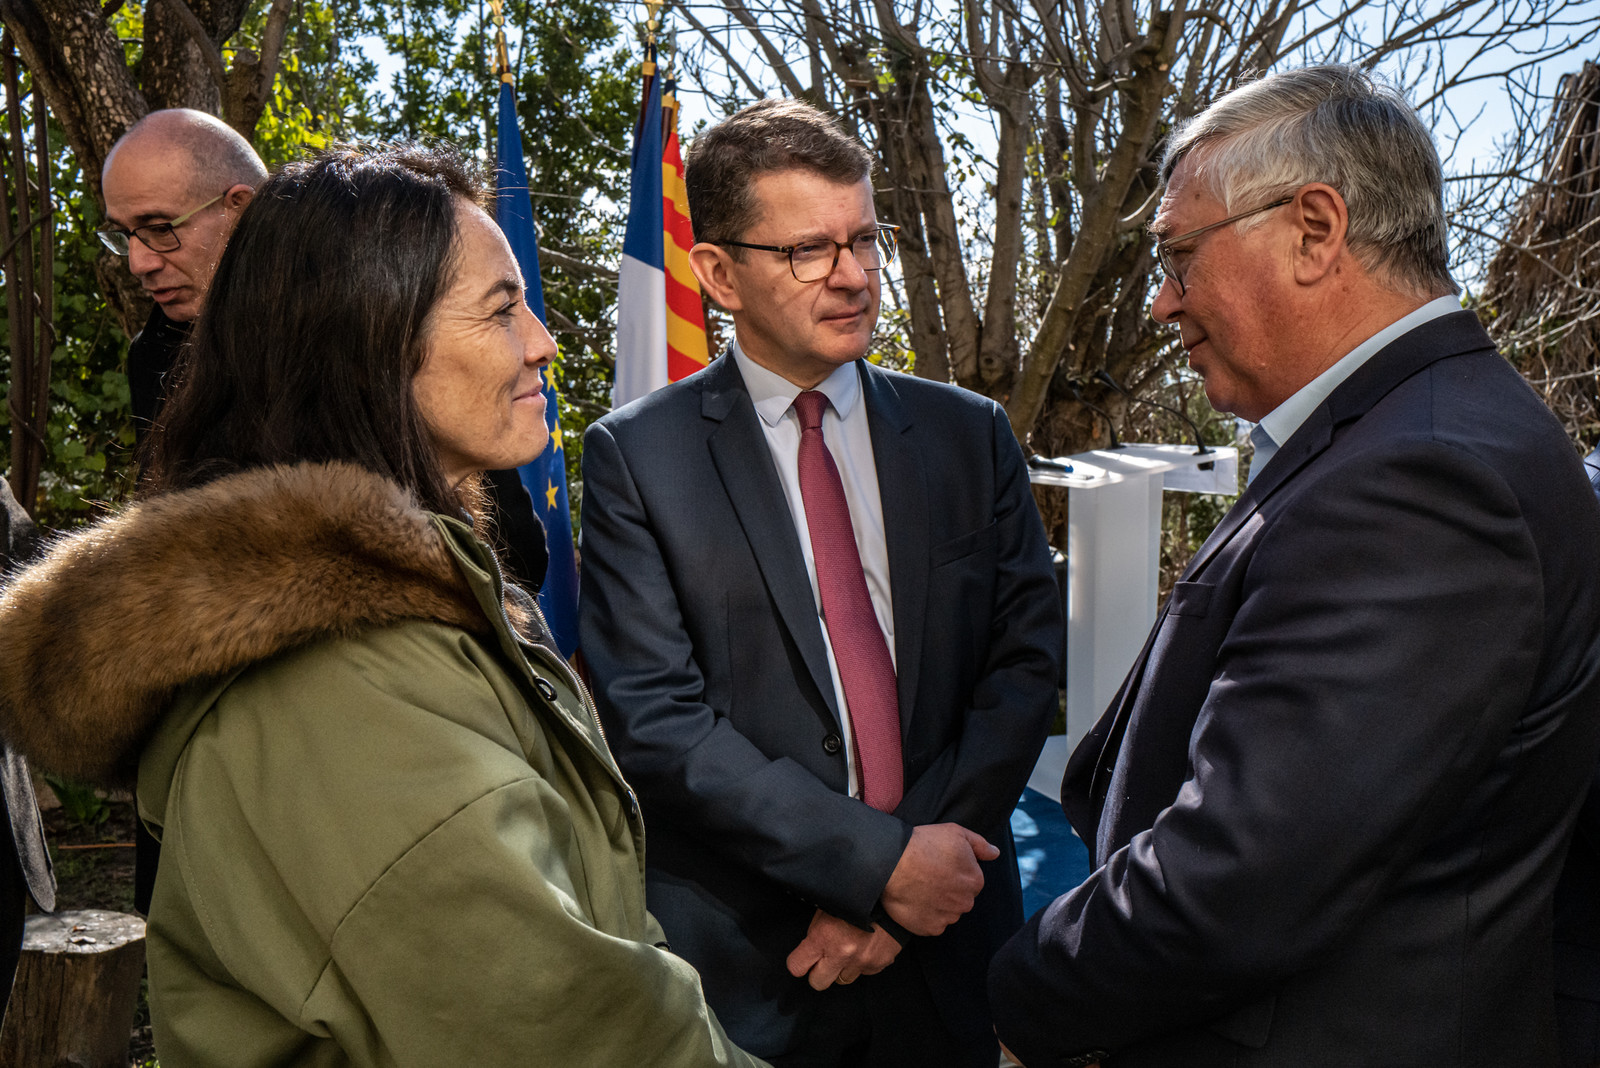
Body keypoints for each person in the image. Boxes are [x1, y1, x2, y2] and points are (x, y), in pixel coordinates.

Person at [0, 143, 764, 1067]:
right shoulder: (338, 685)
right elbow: (563, 1026)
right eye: (501, 309)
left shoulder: (402, 614)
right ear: (372, 340)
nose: (544, 343)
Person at [989, 65, 1600, 1068]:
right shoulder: (1408, 433)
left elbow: (1243, 874)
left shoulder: (1422, 477)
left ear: (1315, 230)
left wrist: (1022, 999)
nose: (1159, 302)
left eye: (1178, 256)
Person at [579, 98, 1062, 1067]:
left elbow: (1020, 666)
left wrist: (912, 887)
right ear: (717, 273)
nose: (850, 276)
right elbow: (655, 719)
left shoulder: (969, 436)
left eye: (862, 239)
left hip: (949, 939)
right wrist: (872, 869)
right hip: (757, 955)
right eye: (807, 251)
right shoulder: (638, 457)